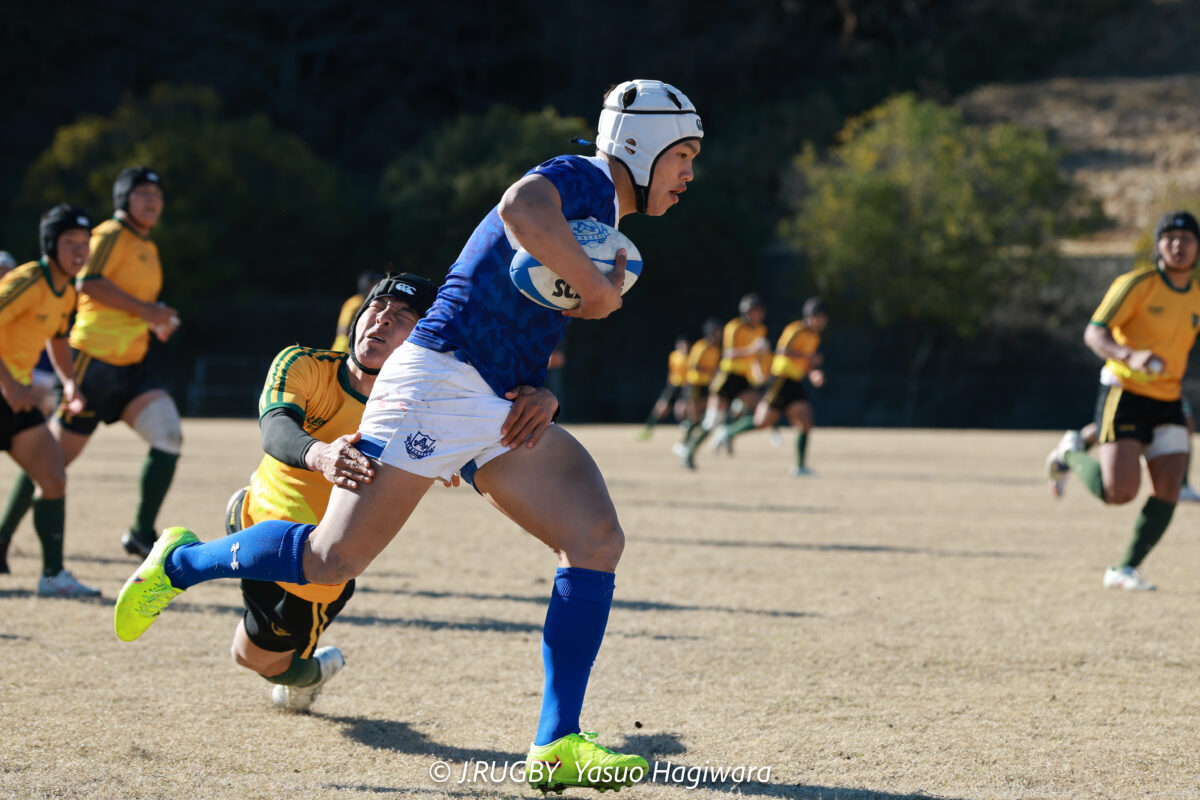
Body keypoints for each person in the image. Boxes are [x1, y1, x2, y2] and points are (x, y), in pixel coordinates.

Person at [114, 79, 702, 793]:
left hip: (494, 400)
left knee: (596, 539)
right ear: (641, 142)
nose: (688, 175)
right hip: (438, 380)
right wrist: (600, 291)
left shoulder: (599, 214)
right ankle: (180, 563)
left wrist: (541, 388)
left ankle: (556, 745)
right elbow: (520, 208)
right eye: (683, 155)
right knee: (331, 560)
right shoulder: (584, 176)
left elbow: (521, 306)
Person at [0, 167, 182, 559]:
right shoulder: (108, 235)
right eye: (143, 193)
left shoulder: (148, 247)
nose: (152, 200)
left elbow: (127, 304)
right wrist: (145, 310)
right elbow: (88, 282)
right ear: (124, 199)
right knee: (50, 462)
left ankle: (140, 532)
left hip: (133, 365)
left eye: (157, 194)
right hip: (94, 363)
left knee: (169, 435)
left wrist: (154, 319)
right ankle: (3, 537)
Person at [1046, 210, 1200, 591]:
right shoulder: (1136, 284)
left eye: (1187, 239)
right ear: (1158, 245)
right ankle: (1070, 452)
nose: (1178, 245)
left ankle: (1124, 569)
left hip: (1168, 399)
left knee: (1170, 486)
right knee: (1119, 493)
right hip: (1125, 392)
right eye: (1170, 238)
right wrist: (1129, 355)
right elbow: (1094, 333)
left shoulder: (1196, 294)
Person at [0, 205, 99, 596]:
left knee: (53, 477)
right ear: (50, 245)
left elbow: (57, 339)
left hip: (17, 397)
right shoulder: (27, 281)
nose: (79, 251)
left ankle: (53, 576)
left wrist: (70, 384)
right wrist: (8, 383)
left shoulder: (67, 290)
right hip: (8, 389)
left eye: (84, 243)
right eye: (69, 242)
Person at [712, 297, 829, 475]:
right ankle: (729, 431)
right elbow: (783, 351)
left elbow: (804, 361)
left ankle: (800, 467)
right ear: (809, 316)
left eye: (823, 318)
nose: (821, 321)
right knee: (762, 422)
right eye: (818, 317)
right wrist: (808, 359)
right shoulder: (796, 329)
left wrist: (813, 373)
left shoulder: (815, 337)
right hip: (781, 379)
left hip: (795, 381)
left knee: (806, 422)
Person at [1049, 394, 1200, 502]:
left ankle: (1182, 485)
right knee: (1127, 425)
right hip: (1134, 375)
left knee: (1183, 423)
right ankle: (1070, 450)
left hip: (1166, 377)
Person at [678, 293, 768, 469]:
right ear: (745, 312)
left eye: (759, 311)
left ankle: (728, 432)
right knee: (712, 421)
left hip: (743, 378)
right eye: (753, 311)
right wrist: (752, 350)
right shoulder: (734, 327)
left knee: (762, 410)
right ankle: (689, 453)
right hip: (727, 377)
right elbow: (729, 353)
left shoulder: (760, 329)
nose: (757, 315)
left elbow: (756, 357)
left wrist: (758, 371)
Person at [636, 335, 690, 440]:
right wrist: (668, 385)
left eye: (686, 345)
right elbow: (671, 371)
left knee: (681, 411)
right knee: (661, 408)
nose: (684, 347)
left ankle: (687, 434)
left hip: (685, 387)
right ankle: (648, 429)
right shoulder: (673, 356)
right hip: (673, 386)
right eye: (682, 345)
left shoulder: (691, 358)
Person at [331, 270, 385, 353]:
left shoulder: (369, 302)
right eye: (375, 284)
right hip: (345, 348)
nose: (378, 287)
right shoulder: (356, 302)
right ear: (367, 286)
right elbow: (344, 330)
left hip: (353, 346)